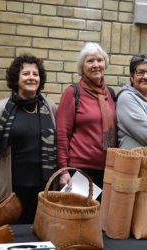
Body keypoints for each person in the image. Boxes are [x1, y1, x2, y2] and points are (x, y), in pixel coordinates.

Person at [0, 54, 57, 224]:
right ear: (16, 78)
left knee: (39, 231)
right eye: (26, 74)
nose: (31, 78)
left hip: (42, 187)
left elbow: (58, 142)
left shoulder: (50, 107)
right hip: (11, 187)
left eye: (35, 74)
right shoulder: (1, 109)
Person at [56, 42, 116, 194]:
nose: (96, 65)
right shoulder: (72, 93)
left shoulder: (110, 94)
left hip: (106, 169)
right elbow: (62, 134)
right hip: (79, 171)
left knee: (100, 217)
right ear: (82, 66)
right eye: (90, 61)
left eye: (99, 60)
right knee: (77, 216)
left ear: (105, 64)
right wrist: (63, 171)